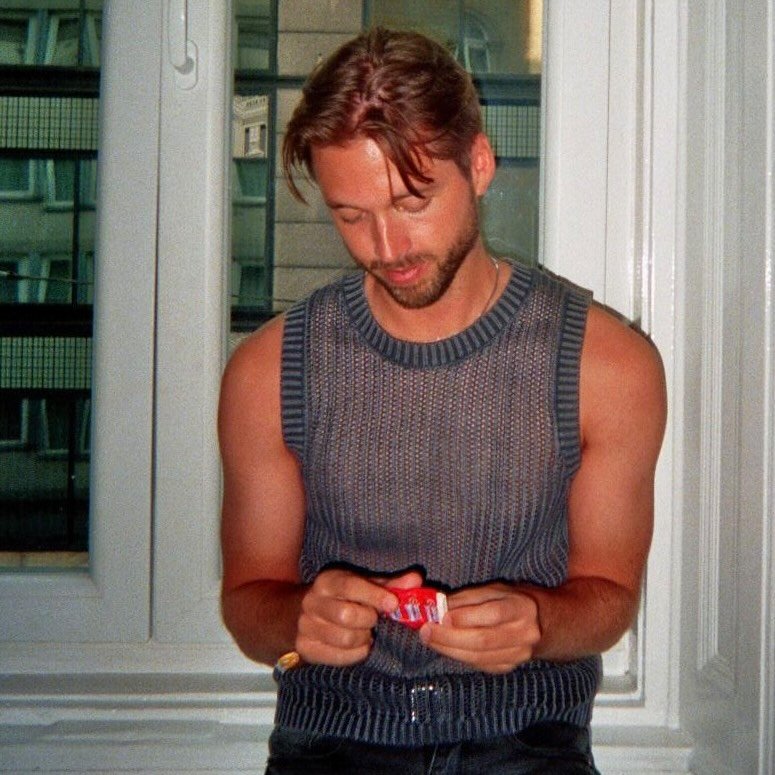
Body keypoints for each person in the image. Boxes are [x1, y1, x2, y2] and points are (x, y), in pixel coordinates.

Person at [219, 27, 666, 775]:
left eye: (411, 202)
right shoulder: (268, 370)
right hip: (331, 743)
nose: (385, 246)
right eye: (350, 215)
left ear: (479, 164)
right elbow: (247, 604)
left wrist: (539, 621)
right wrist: (299, 618)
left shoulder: (608, 365)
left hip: (529, 744)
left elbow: (611, 598)